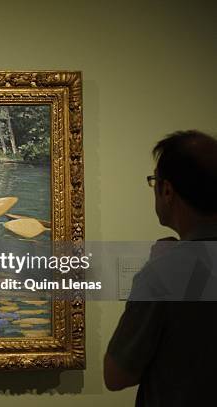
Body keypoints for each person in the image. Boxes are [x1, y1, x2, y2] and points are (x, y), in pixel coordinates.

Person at [104, 130, 217, 406]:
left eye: (154, 181)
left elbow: (116, 375)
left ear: (167, 191)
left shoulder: (166, 273)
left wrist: (160, 266)